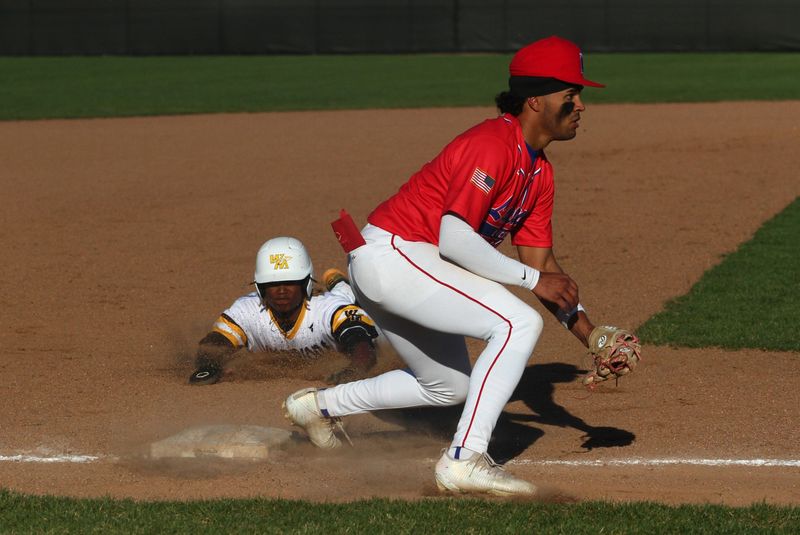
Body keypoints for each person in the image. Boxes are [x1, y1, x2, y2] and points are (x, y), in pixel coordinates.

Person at [284, 36, 625, 496]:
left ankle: (318, 408)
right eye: (572, 95)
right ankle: (464, 460)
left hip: (404, 265)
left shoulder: (539, 173)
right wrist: (531, 280)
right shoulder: (492, 145)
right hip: (393, 253)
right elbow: (456, 239)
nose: (581, 105)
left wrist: (591, 335)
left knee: (448, 386)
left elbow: (542, 265)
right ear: (536, 100)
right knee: (516, 322)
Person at [188, 236, 379, 386]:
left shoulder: (329, 311)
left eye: (289, 282)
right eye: (272, 284)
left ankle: (341, 285)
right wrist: (209, 365)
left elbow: (364, 349)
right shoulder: (247, 310)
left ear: (306, 282)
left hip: (344, 302)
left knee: (356, 296)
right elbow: (214, 343)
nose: (281, 290)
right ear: (260, 287)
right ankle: (337, 283)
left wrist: (354, 371)